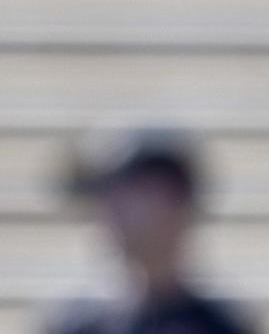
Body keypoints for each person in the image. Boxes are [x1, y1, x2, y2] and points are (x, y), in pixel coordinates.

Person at [48, 129, 256, 334]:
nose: (109, 213)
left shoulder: (224, 324)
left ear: (174, 202)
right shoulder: (76, 322)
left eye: (126, 196)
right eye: (106, 197)